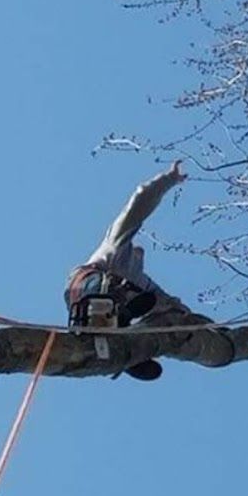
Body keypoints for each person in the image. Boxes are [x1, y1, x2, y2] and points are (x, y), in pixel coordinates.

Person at [65, 160, 191, 381]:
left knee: (150, 301)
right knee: (114, 289)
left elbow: (171, 305)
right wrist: (168, 179)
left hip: (111, 309)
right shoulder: (114, 249)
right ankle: (112, 318)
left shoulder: (142, 284)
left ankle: (127, 341)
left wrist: (208, 328)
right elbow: (138, 206)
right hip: (85, 288)